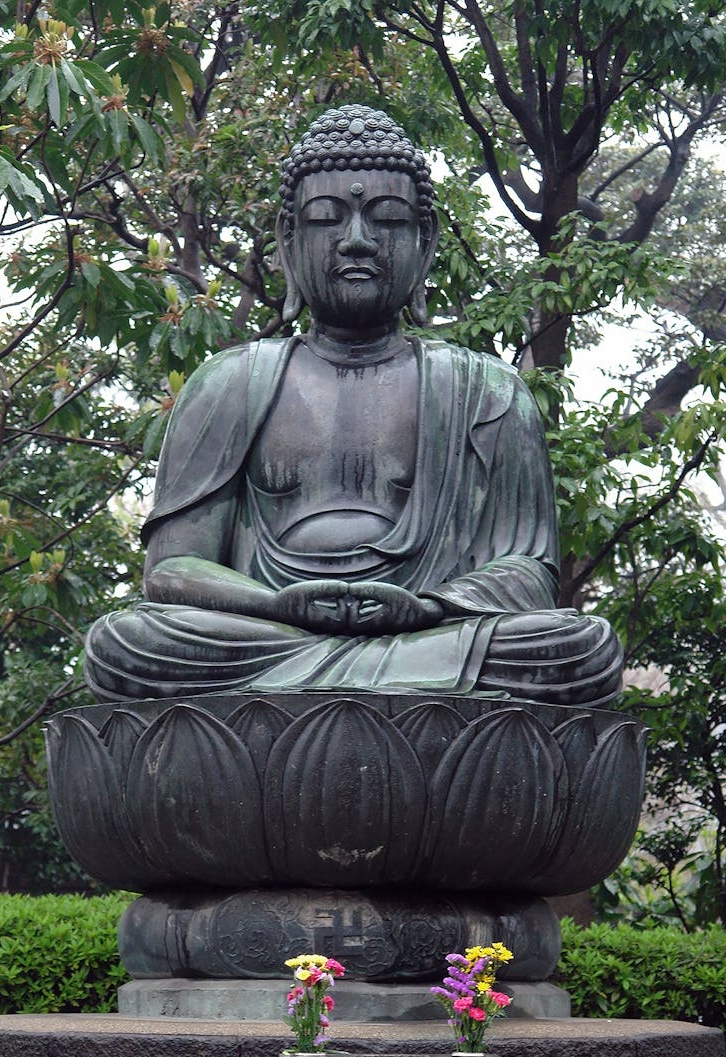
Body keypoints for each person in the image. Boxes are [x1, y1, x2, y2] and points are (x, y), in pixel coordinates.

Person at [85, 105, 622, 706]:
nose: (357, 241)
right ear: (288, 246)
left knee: (576, 647)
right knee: (126, 641)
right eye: (325, 220)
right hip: (267, 635)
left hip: (433, 637)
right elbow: (173, 571)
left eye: (387, 218)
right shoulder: (229, 383)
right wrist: (277, 603)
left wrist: (426, 607)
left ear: (425, 246)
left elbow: (526, 572)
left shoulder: (488, 392)